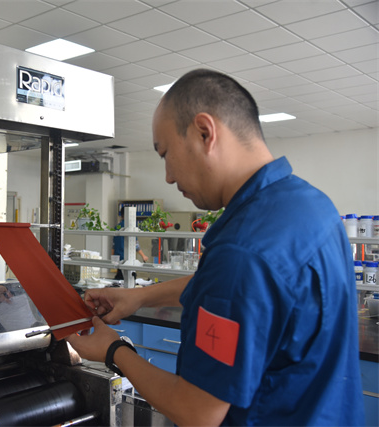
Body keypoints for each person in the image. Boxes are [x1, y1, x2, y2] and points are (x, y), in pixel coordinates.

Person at [67, 69, 364, 426]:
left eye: (165, 154)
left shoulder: (242, 249)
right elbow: (247, 292)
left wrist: (114, 351)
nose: (168, 176)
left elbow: (197, 411)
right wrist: (139, 297)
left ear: (204, 133)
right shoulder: (312, 205)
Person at [112, 212, 150, 280]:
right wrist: (143, 256)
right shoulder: (130, 228)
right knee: (129, 280)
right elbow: (135, 244)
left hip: (118, 258)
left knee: (120, 279)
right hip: (127, 259)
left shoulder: (117, 227)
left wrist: (112, 259)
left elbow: (113, 245)